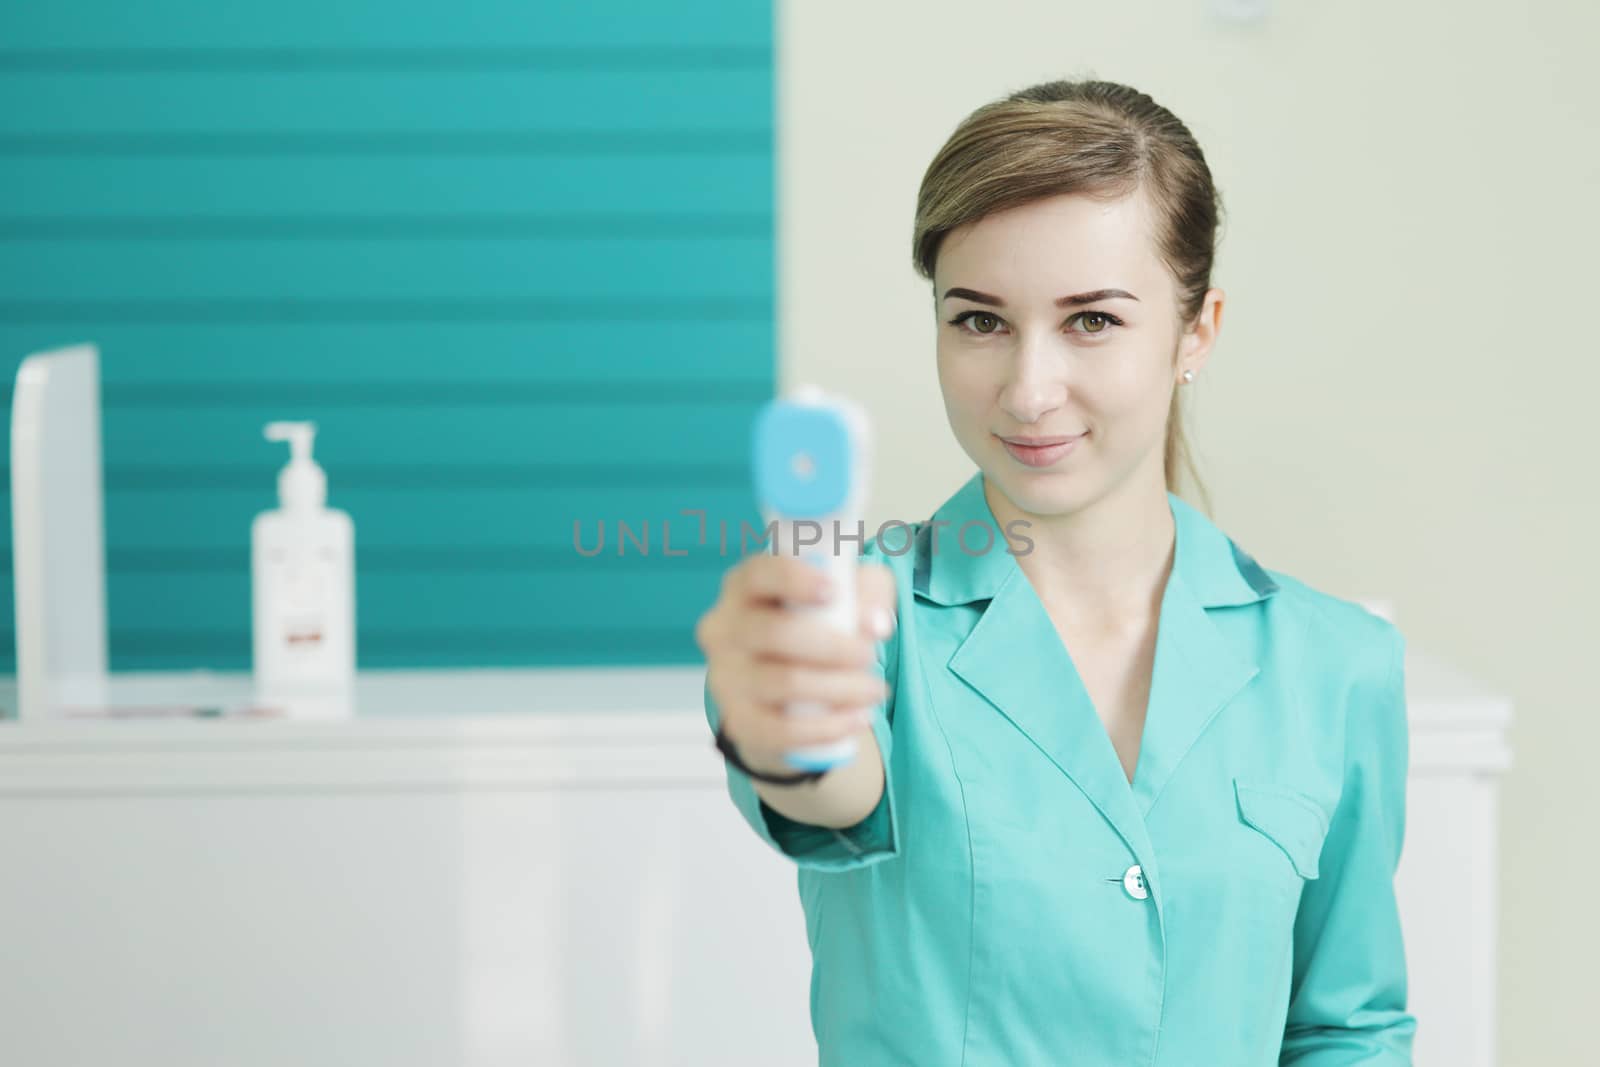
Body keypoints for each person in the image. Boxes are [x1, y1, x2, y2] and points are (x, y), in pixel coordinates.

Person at [695, 77, 1414, 1066]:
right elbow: (826, 784)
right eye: (980, 320)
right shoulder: (853, 621)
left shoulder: (1337, 665)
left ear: (1194, 330)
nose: (1029, 390)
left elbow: (1345, 1027)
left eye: (1091, 320)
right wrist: (784, 734)